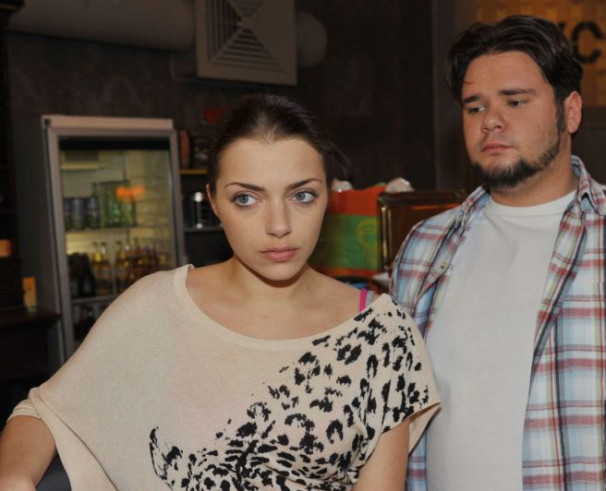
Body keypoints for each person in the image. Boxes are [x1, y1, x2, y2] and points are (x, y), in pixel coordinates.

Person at [0, 94, 440, 490]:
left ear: (330, 196)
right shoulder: (157, 306)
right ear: (213, 201)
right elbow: (44, 412)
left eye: (302, 196)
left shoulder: (381, 333)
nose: (279, 225)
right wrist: (14, 477)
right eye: (246, 199)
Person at [391, 15, 606, 490]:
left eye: (515, 101)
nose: (490, 120)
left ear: (570, 112)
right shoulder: (423, 248)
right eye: (475, 107)